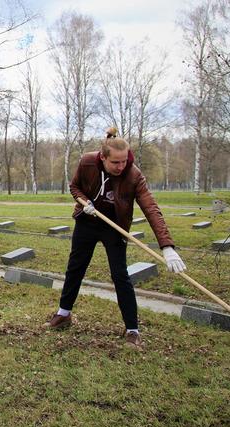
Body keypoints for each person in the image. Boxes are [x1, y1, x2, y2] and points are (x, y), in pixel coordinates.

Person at [45, 127, 187, 349]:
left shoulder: (134, 175)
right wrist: (85, 202)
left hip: (115, 227)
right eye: (116, 163)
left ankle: (132, 330)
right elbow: (75, 186)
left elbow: (151, 208)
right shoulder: (87, 162)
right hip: (87, 221)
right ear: (103, 158)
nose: (122, 167)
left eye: (125, 161)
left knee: (120, 275)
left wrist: (166, 246)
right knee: (75, 268)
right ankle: (64, 314)